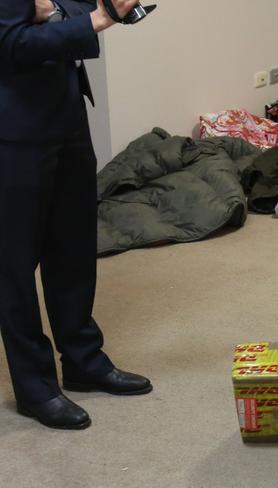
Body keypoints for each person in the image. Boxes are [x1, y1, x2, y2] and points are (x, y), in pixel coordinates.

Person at [0, 0, 152, 430]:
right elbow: (8, 40)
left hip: (65, 111)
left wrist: (54, 10)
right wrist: (99, 20)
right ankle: (35, 388)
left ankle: (84, 360)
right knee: (13, 265)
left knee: (73, 247)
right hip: (11, 125)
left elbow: (76, 3)